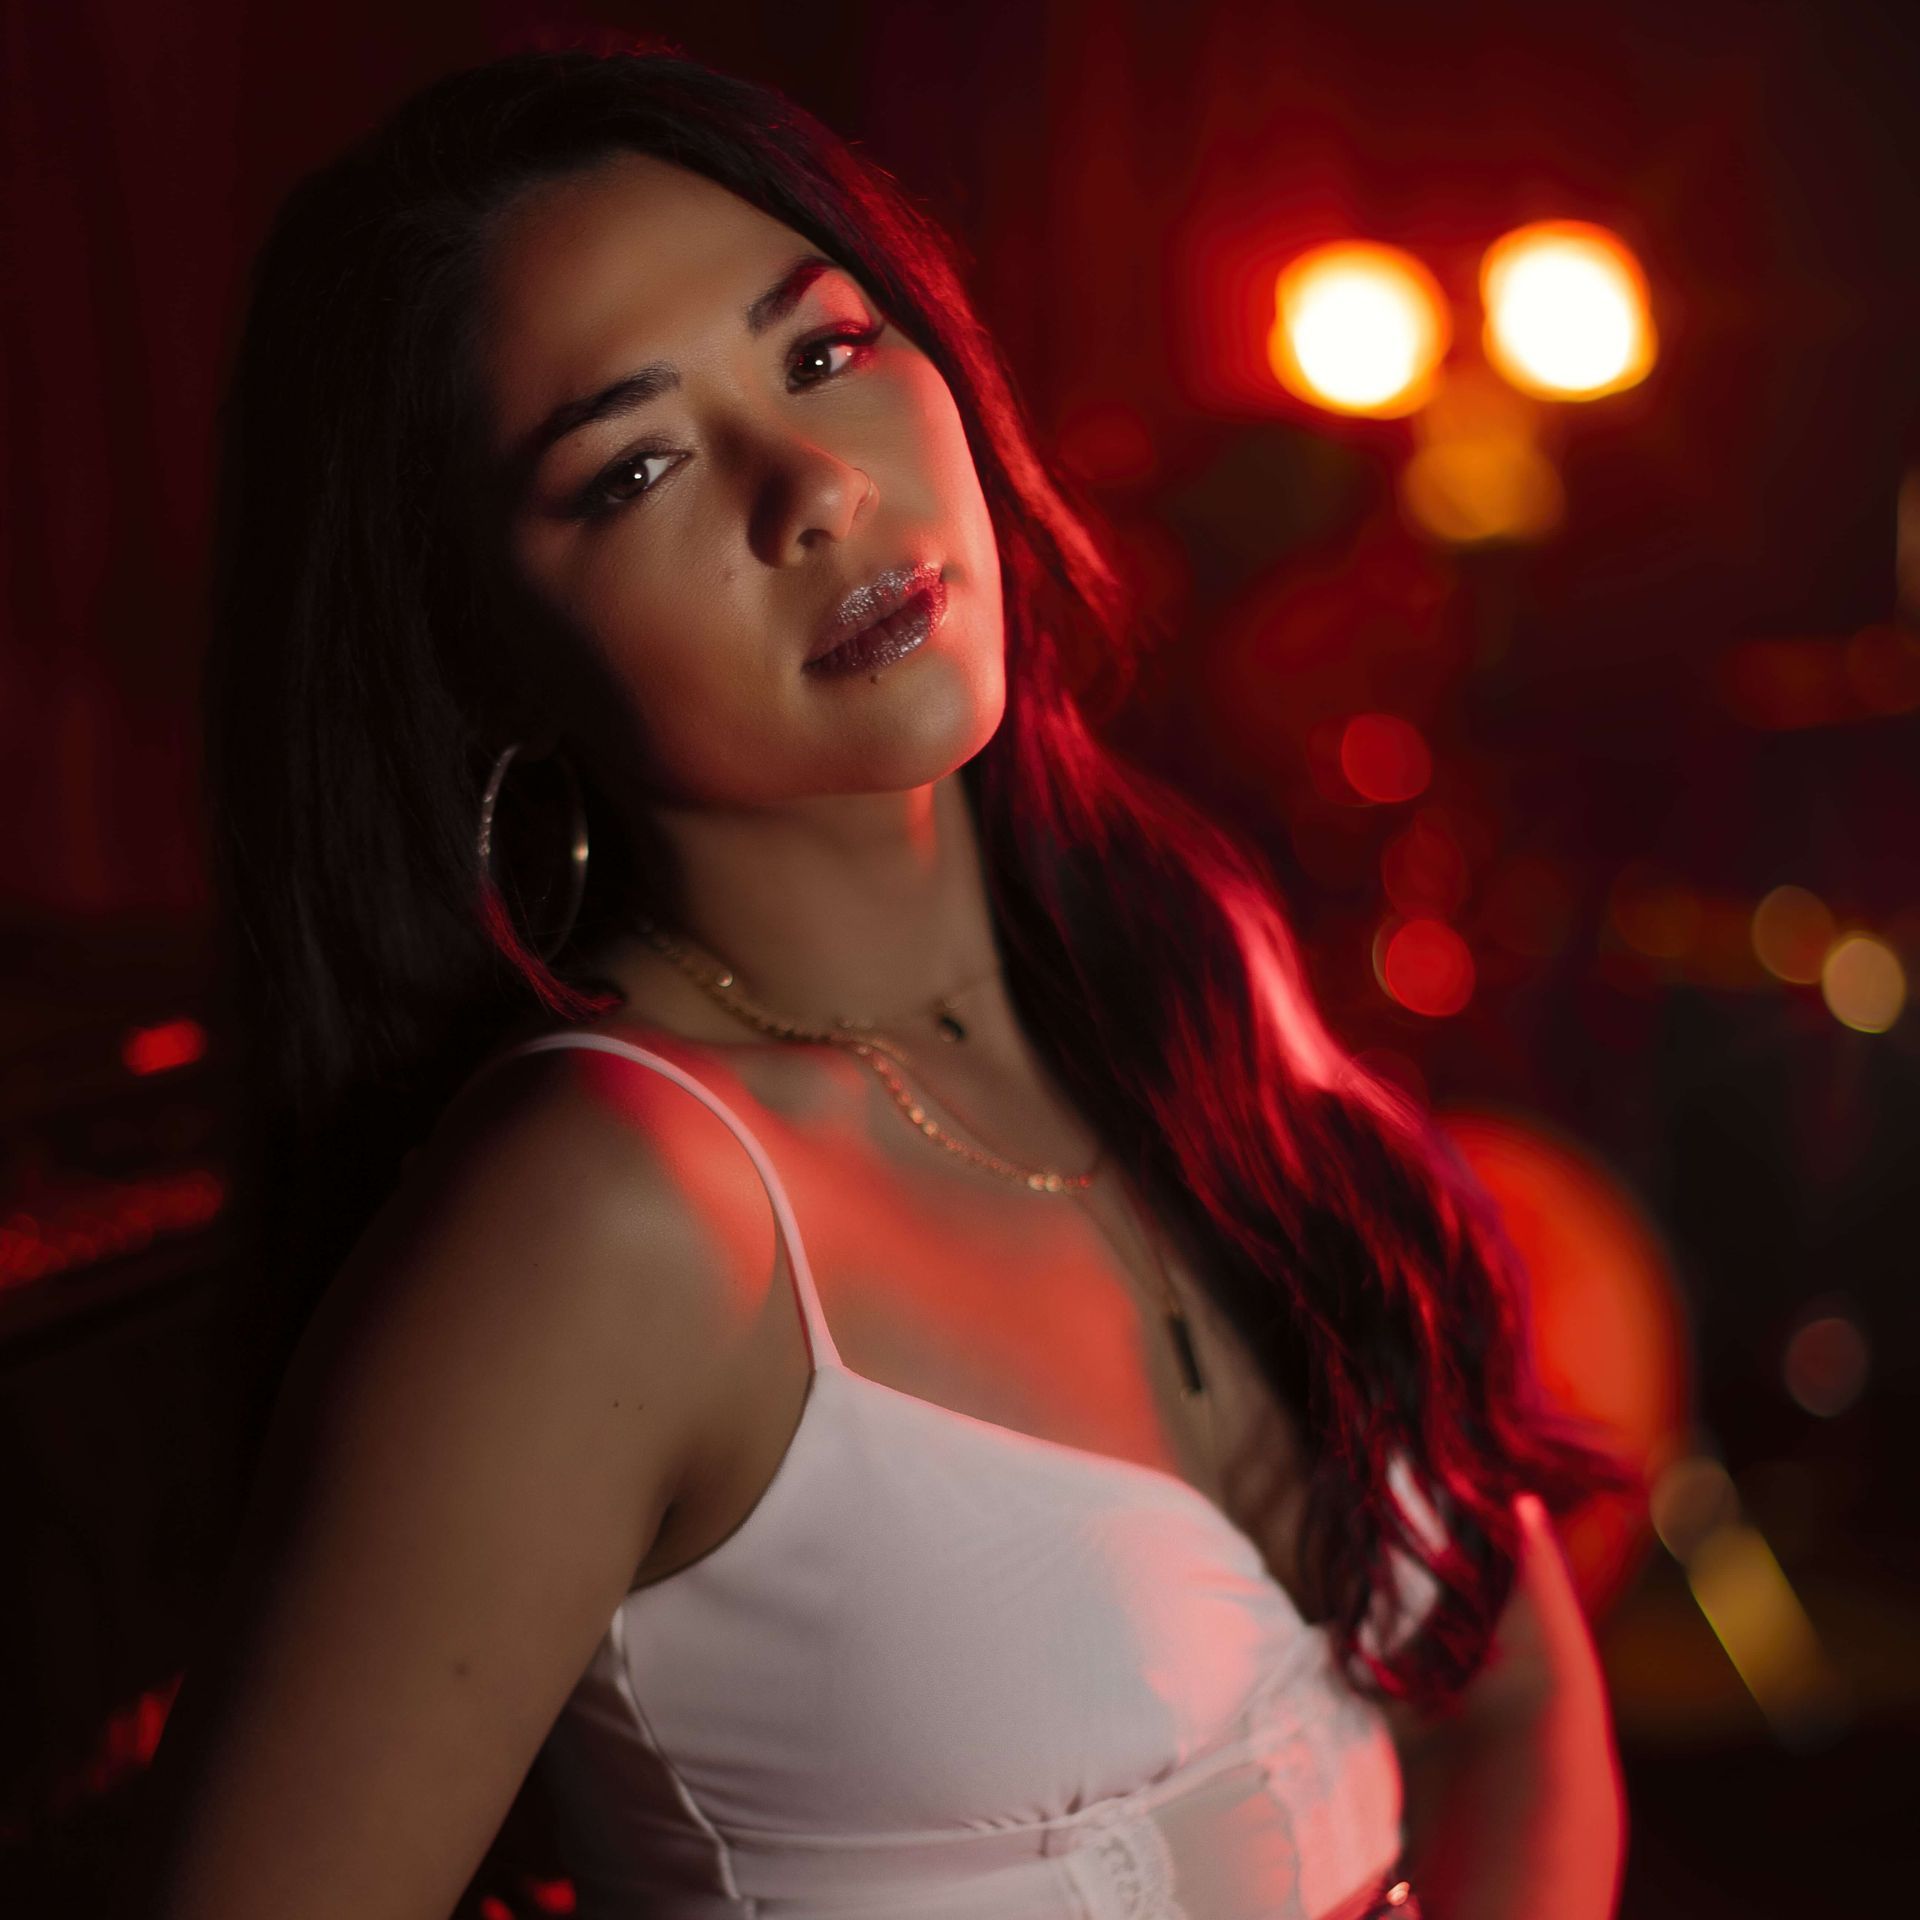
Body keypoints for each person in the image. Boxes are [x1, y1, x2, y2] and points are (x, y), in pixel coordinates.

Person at [130, 43, 1630, 1920]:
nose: (815, 488)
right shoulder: (610, 1217)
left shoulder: (1174, 962)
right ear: (485, 650)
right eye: (636, 467)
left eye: (825, 351)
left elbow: (1513, 1706)